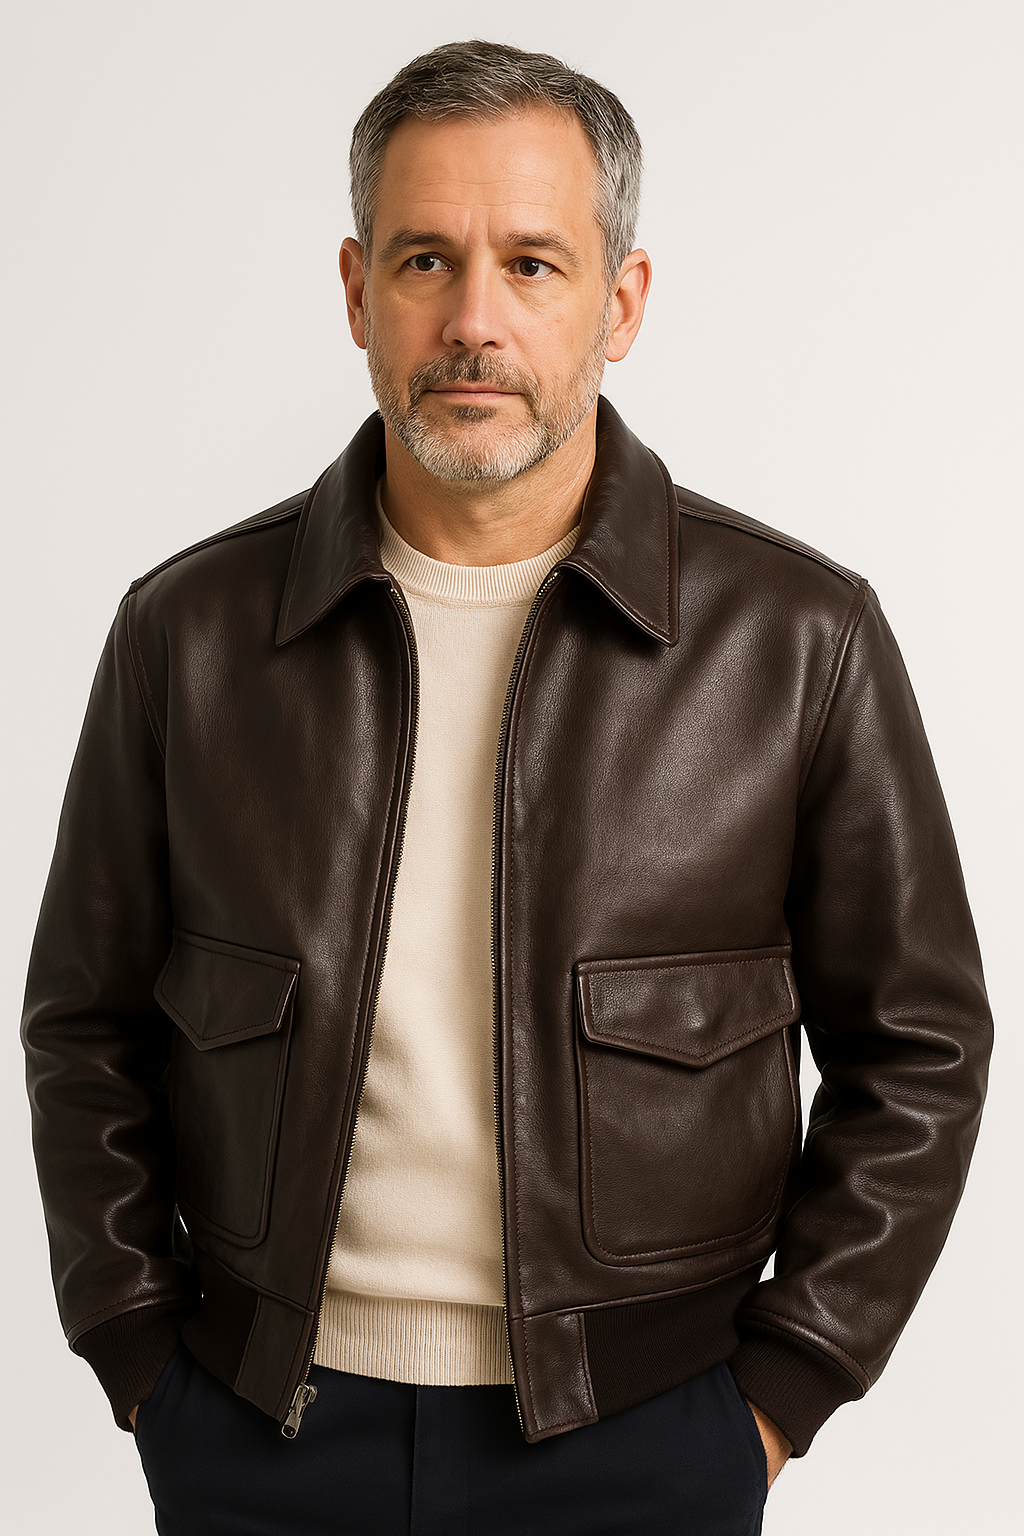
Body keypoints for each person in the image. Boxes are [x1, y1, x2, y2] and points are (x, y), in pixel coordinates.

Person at [22, 38, 992, 1536]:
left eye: (533, 264)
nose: (474, 320)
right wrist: (140, 1353)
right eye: (426, 260)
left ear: (623, 301)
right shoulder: (187, 634)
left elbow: (920, 1046)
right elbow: (83, 1022)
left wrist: (782, 1391)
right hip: (262, 1431)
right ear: (357, 292)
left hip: (645, 1436)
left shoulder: (799, 641)